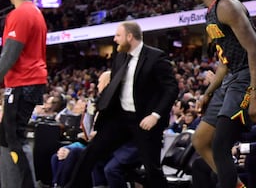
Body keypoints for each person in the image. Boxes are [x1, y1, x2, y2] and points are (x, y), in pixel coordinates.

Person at [65, 22, 177, 188]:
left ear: (129, 37)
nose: (114, 39)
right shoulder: (120, 57)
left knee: (152, 169)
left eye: (118, 35)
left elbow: (171, 89)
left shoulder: (156, 57)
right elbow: (114, 88)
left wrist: (155, 115)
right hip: (121, 118)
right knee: (90, 153)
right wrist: (98, 106)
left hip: (145, 120)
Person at [191, 0, 256, 188]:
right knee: (201, 139)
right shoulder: (211, 12)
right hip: (233, 76)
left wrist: (254, 96)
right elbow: (224, 63)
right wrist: (207, 93)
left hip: (249, 75)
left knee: (221, 145)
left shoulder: (227, 6)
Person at [0, 0, 47, 188]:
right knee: (9, 139)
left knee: (14, 140)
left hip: (23, 83)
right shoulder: (36, 12)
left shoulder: (21, 14)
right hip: (28, 82)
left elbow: (9, 54)